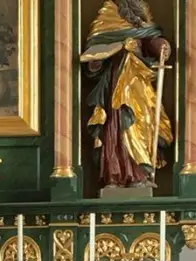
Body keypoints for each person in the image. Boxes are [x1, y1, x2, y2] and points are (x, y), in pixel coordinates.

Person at [80, 0, 174, 188]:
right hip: (113, 84)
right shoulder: (108, 10)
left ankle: (139, 174)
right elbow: (95, 46)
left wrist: (161, 47)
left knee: (140, 124)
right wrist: (96, 61)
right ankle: (113, 175)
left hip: (138, 83)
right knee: (114, 128)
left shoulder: (141, 8)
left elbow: (150, 39)